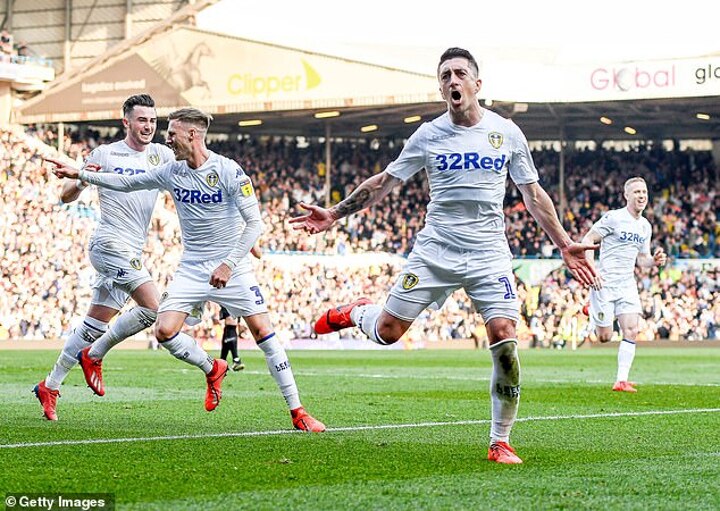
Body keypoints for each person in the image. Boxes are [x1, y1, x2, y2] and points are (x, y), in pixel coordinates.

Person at [290, 47, 600, 462]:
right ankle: (357, 312)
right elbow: (385, 182)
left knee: (505, 338)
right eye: (445, 76)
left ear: (477, 84)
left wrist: (564, 242)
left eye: (459, 74)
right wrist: (335, 212)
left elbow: (533, 193)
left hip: (490, 252)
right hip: (436, 249)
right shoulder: (428, 134)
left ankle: (500, 440)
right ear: (440, 87)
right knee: (387, 332)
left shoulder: (506, 132)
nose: (452, 81)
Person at [50, 107, 325, 432]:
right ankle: (213, 369)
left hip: (232, 269)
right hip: (192, 269)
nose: (166, 139)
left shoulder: (228, 170)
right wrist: (81, 174)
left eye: (172, 133)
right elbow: (125, 183)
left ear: (192, 135)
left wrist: (229, 262)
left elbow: (254, 223)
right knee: (164, 330)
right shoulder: (172, 171)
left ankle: (298, 411)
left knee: (263, 333)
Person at [34, 94, 174, 421]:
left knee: (93, 325)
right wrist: (81, 182)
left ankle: (50, 385)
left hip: (133, 249)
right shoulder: (106, 154)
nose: (148, 126)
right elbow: (66, 195)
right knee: (154, 308)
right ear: (126, 122)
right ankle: (94, 357)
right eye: (142, 120)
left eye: (152, 121)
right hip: (109, 244)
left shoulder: (162, 155)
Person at [581, 176, 666, 393]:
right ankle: (592, 309)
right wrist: (592, 272)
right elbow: (587, 240)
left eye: (644, 192)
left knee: (631, 330)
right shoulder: (613, 218)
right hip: (604, 284)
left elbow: (643, 260)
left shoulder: (645, 226)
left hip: (627, 284)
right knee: (605, 337)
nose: (641, 196)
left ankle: (621, 380)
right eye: (637, 192)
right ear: (626, 195)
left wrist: (654, 261)